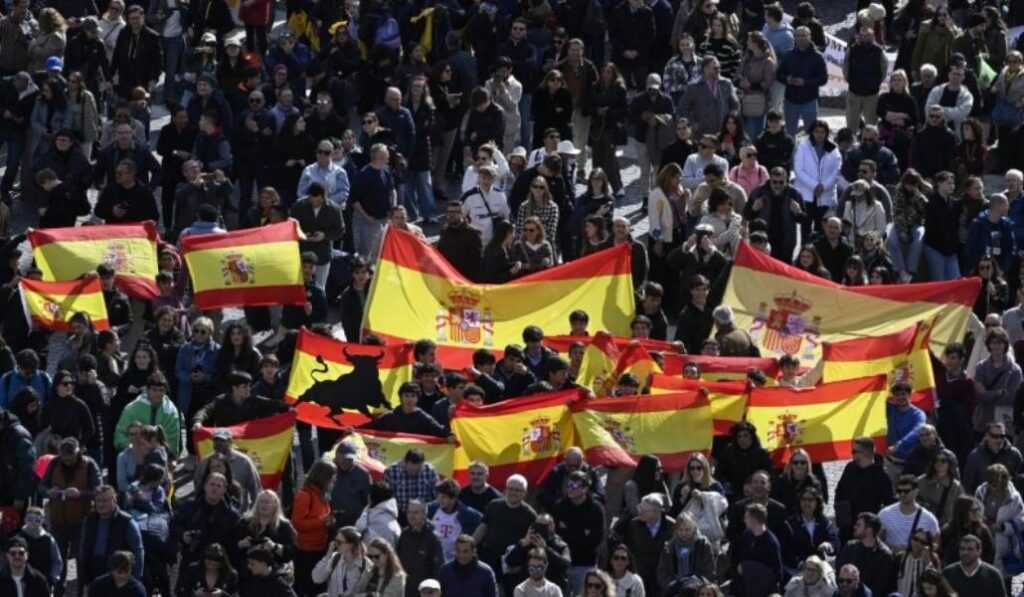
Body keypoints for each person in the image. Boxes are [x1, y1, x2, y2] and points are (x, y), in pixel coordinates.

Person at [78, 485, 144, 587]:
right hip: (93, 570)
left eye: (104, 501)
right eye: (98, 500)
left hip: (117, 573)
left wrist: (136, 579)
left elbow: (138, 551)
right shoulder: (89, 520)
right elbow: (83, 547)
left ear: (114, 501)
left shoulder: (127, 522)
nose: (100, 504)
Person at [835, 437, 896, 543]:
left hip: (867, 529)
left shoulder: (881, 476)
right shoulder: (850, 468)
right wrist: (841, 513)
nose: (852, 454)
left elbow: (889, 504)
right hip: (847, 527)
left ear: (866, 452)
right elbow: (839, 491)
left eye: (855, 451)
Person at [291, 460, 336, 597]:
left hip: (320, 549)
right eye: (332, 478)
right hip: (306, 552)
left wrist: (329, 521)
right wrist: (322, 522)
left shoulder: (322, 495)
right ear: (323, 477)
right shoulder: (305, 496)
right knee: (306, 588)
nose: (334, 481)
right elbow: (297, 523)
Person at [114, 372, 182, 460]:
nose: (157, 393)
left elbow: (172, 441)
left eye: (161, 390)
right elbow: (120, 435)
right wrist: (134, 448)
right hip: (134, 456)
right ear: (147, 390)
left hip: (161, 457)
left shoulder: (171, 412)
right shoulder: (131, 409)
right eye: (154, 389)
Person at [793, 120, 842, 239]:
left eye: (823, 132)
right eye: (817, 131)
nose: (819, 134)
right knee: (805, 227)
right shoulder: (803, 146)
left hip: (826, 195)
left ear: (827, 133)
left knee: (822, 229)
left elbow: (836, 171)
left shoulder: (833, 149)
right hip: (806, 194)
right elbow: (799, 170)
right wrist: (814, 185)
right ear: (812, 132)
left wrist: (823, 186)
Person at [775, 27, 827, 137]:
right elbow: (779, 74)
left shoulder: (817, 56)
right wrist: (787, 79)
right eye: (797, 35)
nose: (800, 38)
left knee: (812, 134)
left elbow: (823, 79)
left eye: (803, 35)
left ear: (810, 37)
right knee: (789, 134)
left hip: (809, 100)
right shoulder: (789, 55)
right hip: (790, 100)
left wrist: (805, 82)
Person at [292, 181, 344, 290]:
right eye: (312, 200)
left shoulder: (334, 209)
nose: (315, 203)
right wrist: (302, 234)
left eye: (318, 200)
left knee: (320, 286)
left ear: (323, 196)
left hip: (322, 253)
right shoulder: (298, 206)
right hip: (303, 251)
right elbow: (292, 226)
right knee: (299, 286)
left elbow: (340, 230)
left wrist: (324, 235)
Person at [837, 513, 897, 596]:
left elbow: (881, 586)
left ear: (869, 529)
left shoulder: (884, 555)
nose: (855, 527)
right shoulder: (850, 547)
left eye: (858, 525)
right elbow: (839, 573)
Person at [963, 422, 1023, 494]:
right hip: (982, 498)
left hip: (1008, 497)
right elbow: (968, 485)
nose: (999, 440)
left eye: (1002, 436)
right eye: (995, 436)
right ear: (987, 436)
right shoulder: (975, 456)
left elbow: (1021, 479)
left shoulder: (1014, 455)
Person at [941, 535, 1006, 597]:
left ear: (979, 551)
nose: (965, 552)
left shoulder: (993, 575)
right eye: (962, 549)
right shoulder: (948, 573)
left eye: (970, 549)